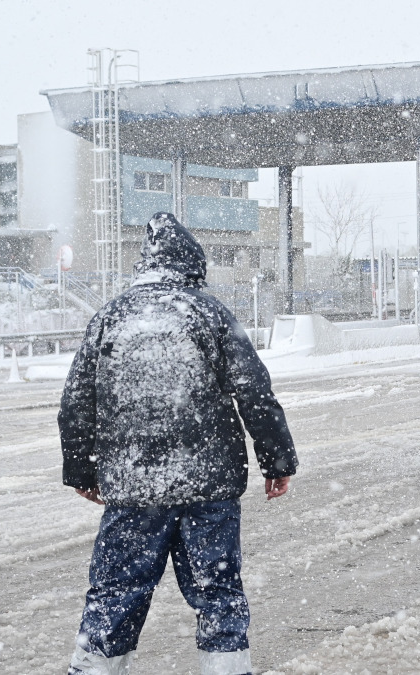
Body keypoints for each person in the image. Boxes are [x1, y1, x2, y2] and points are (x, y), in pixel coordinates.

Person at [59, 212, 297, 675]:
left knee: (116, 592)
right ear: (193, 265)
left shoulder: (110, 317)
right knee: (217, 591)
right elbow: (254, 391)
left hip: (133, 488)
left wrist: (82, 471)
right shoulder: (209, 312)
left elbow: (76, 401)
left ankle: (94, 669)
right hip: (209, 485)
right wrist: (276, 462)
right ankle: (226, 669)